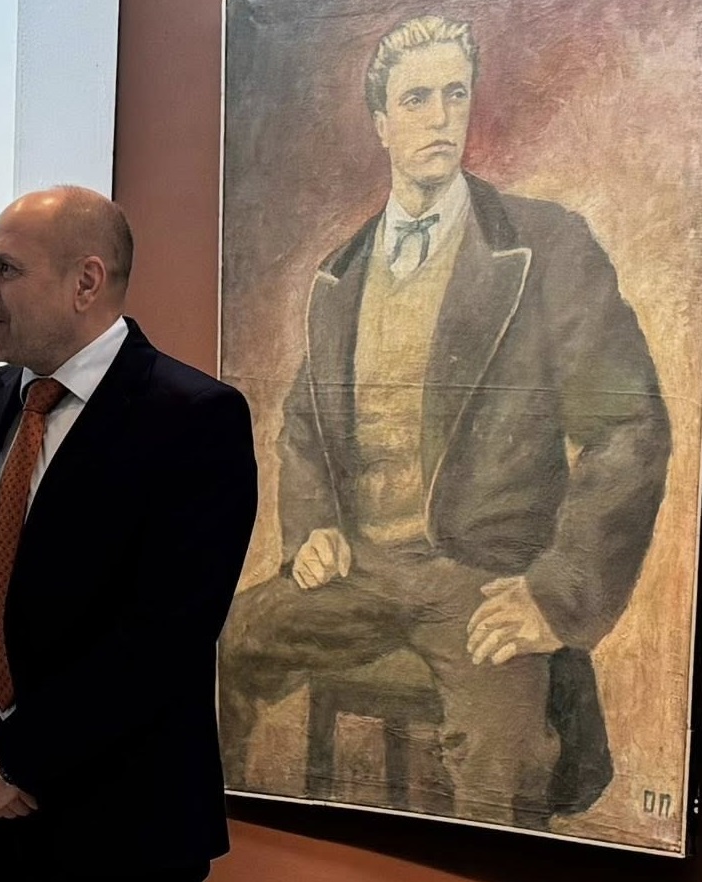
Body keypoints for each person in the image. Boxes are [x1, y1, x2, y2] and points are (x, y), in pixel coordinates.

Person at [217, 14, 671, 826]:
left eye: (454, 95)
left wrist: (556, 592)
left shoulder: (546, 246)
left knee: (504, 771)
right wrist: (314, 528)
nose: (439, 117)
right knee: (219, 651)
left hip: (484, 579)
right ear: (381, 123)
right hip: (362, 574)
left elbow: (629, 427)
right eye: (416, 99)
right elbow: (304, 428)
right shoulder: (339, 274)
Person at [0, 186, 258, 882]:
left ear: (86, 282)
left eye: (4, 269)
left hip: (127, 834)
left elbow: (164, 637)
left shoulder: (194, 417)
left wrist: (16, 756)